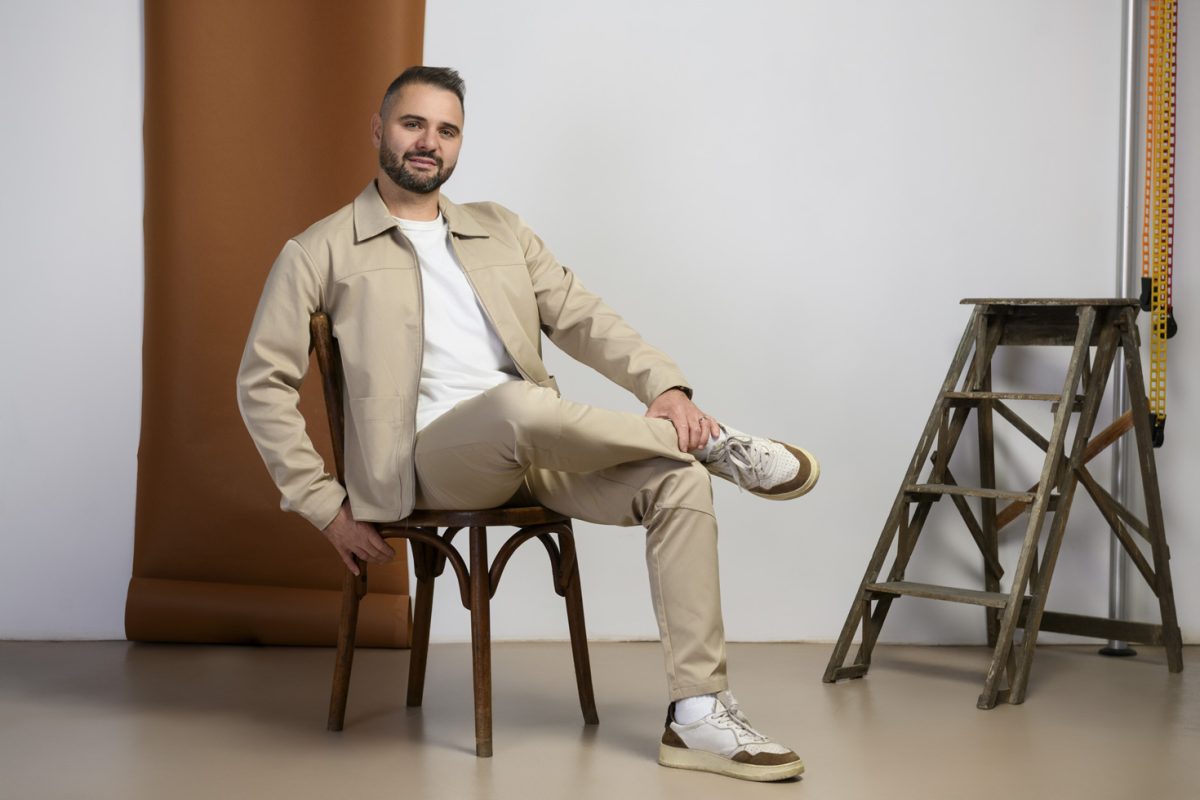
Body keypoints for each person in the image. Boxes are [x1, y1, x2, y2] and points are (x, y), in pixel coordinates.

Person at [236, 65, 817, 783]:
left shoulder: (499, 229)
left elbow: (582, 317)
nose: (429, 142)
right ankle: (714, 444)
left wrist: (664, 386)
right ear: (379, 129)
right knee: (516, 406)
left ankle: (697, 712)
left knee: (677, 484)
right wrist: (324, 505)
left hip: (537, 446)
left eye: (447, 130)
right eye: (413, 124)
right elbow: (261, 384)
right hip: (427, 463)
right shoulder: (320, 250)